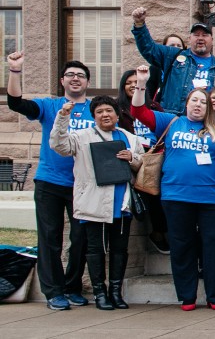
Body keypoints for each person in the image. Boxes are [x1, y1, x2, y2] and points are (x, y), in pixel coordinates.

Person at [131, 67, 215, 312]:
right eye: (194, 101)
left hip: (211, 198)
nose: (198, 105)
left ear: (209, 107)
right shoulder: (171, 122)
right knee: (182, 245)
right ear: (187, 104)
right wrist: (142, 82)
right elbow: (138, 111)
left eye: (203, 102)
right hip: (176, 196)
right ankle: (187, 296)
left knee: (213, 246)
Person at [6, 52, 94, 310]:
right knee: (50, 237)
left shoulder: (94, 109)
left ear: (87, 82)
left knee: (80, 238)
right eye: (70, 75)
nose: (75, 79)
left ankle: (72, 286)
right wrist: (15, 71)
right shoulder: (49, 106)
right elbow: (15, 103)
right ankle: (53, 291)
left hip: (83, 184)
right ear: (62, 81)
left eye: (80, 76)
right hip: (50, 182)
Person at [49, 95, 143, 311]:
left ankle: (116, 293)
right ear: (94, 117)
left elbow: (142, 163)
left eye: (109, 110)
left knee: (120, 251)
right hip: (94, 203)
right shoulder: (81, 137)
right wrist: (63, 117)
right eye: (99, 112)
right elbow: (58, 145)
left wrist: (132, 158)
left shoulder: (130, 137)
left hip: (122, 204)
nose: (105, 115)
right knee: (95, 250)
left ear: (117, 114)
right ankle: (100, 293)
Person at [116, 69, 170, 255]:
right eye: (128, 82)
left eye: (136, 82)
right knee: (146, 195)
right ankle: (158, 232)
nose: (132, 85)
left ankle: (160, 231)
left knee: (159, 193)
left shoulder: (154, 107)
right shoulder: (118, 108)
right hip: (129, 156)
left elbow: (164, 130)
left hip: (154, 155)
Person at [131, 7, 215, 114]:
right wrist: (139, 25)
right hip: (173, 116)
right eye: (196, 35)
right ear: (189, 39)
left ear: (212, 40)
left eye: (204, 35)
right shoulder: (173, 55)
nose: (200, 38)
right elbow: (149, 49)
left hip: (204, 120)